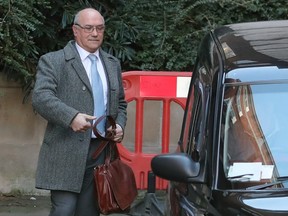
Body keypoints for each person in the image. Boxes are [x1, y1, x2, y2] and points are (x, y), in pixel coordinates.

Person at [32, 7, 127, 216]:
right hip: (64, 150)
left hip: (100, 154)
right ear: (76, 30)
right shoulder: (54, 61)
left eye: (100, 28)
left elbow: (120, 103)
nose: (95, 33)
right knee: (64, 211)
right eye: (89, 28)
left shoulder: (112, 64)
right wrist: (71, 116)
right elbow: (41, 97)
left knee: (89, 212)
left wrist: (119, 125)